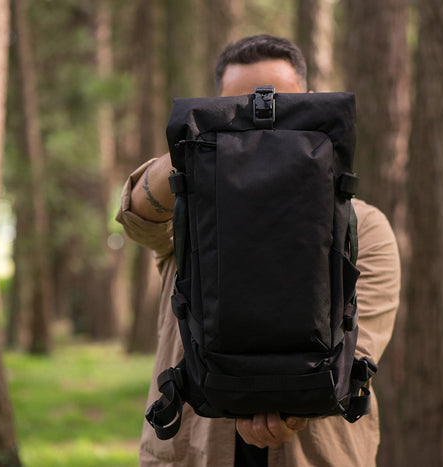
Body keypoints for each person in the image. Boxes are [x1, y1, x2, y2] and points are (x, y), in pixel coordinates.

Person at [116, 34, 401, 467]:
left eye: (277, 107)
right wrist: (199, 146)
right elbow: (138, 214)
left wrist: (293, 408)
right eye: (240, 108)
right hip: (195, 450)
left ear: (308, 106)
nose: (259, 126)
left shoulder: (365, 226)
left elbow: (358, 352)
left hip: (314, 454)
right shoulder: (190, 206)